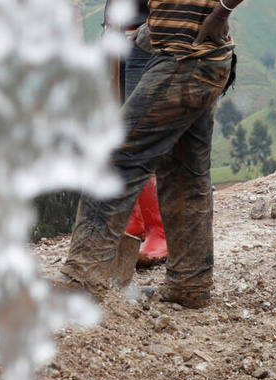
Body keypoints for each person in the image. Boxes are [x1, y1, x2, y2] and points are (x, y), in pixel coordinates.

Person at [60, 0, 243, 309]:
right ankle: (189, 285)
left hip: (187, 57)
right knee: (185, 172)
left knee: (115, 162)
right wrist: (150, 29)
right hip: (187, 52)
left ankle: (81, 282)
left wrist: (222, 10)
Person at [104, 0, 168, 266]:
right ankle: (134, 220)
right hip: (115, 37)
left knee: (137, 134)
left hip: (143, 40)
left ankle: (159, 230)